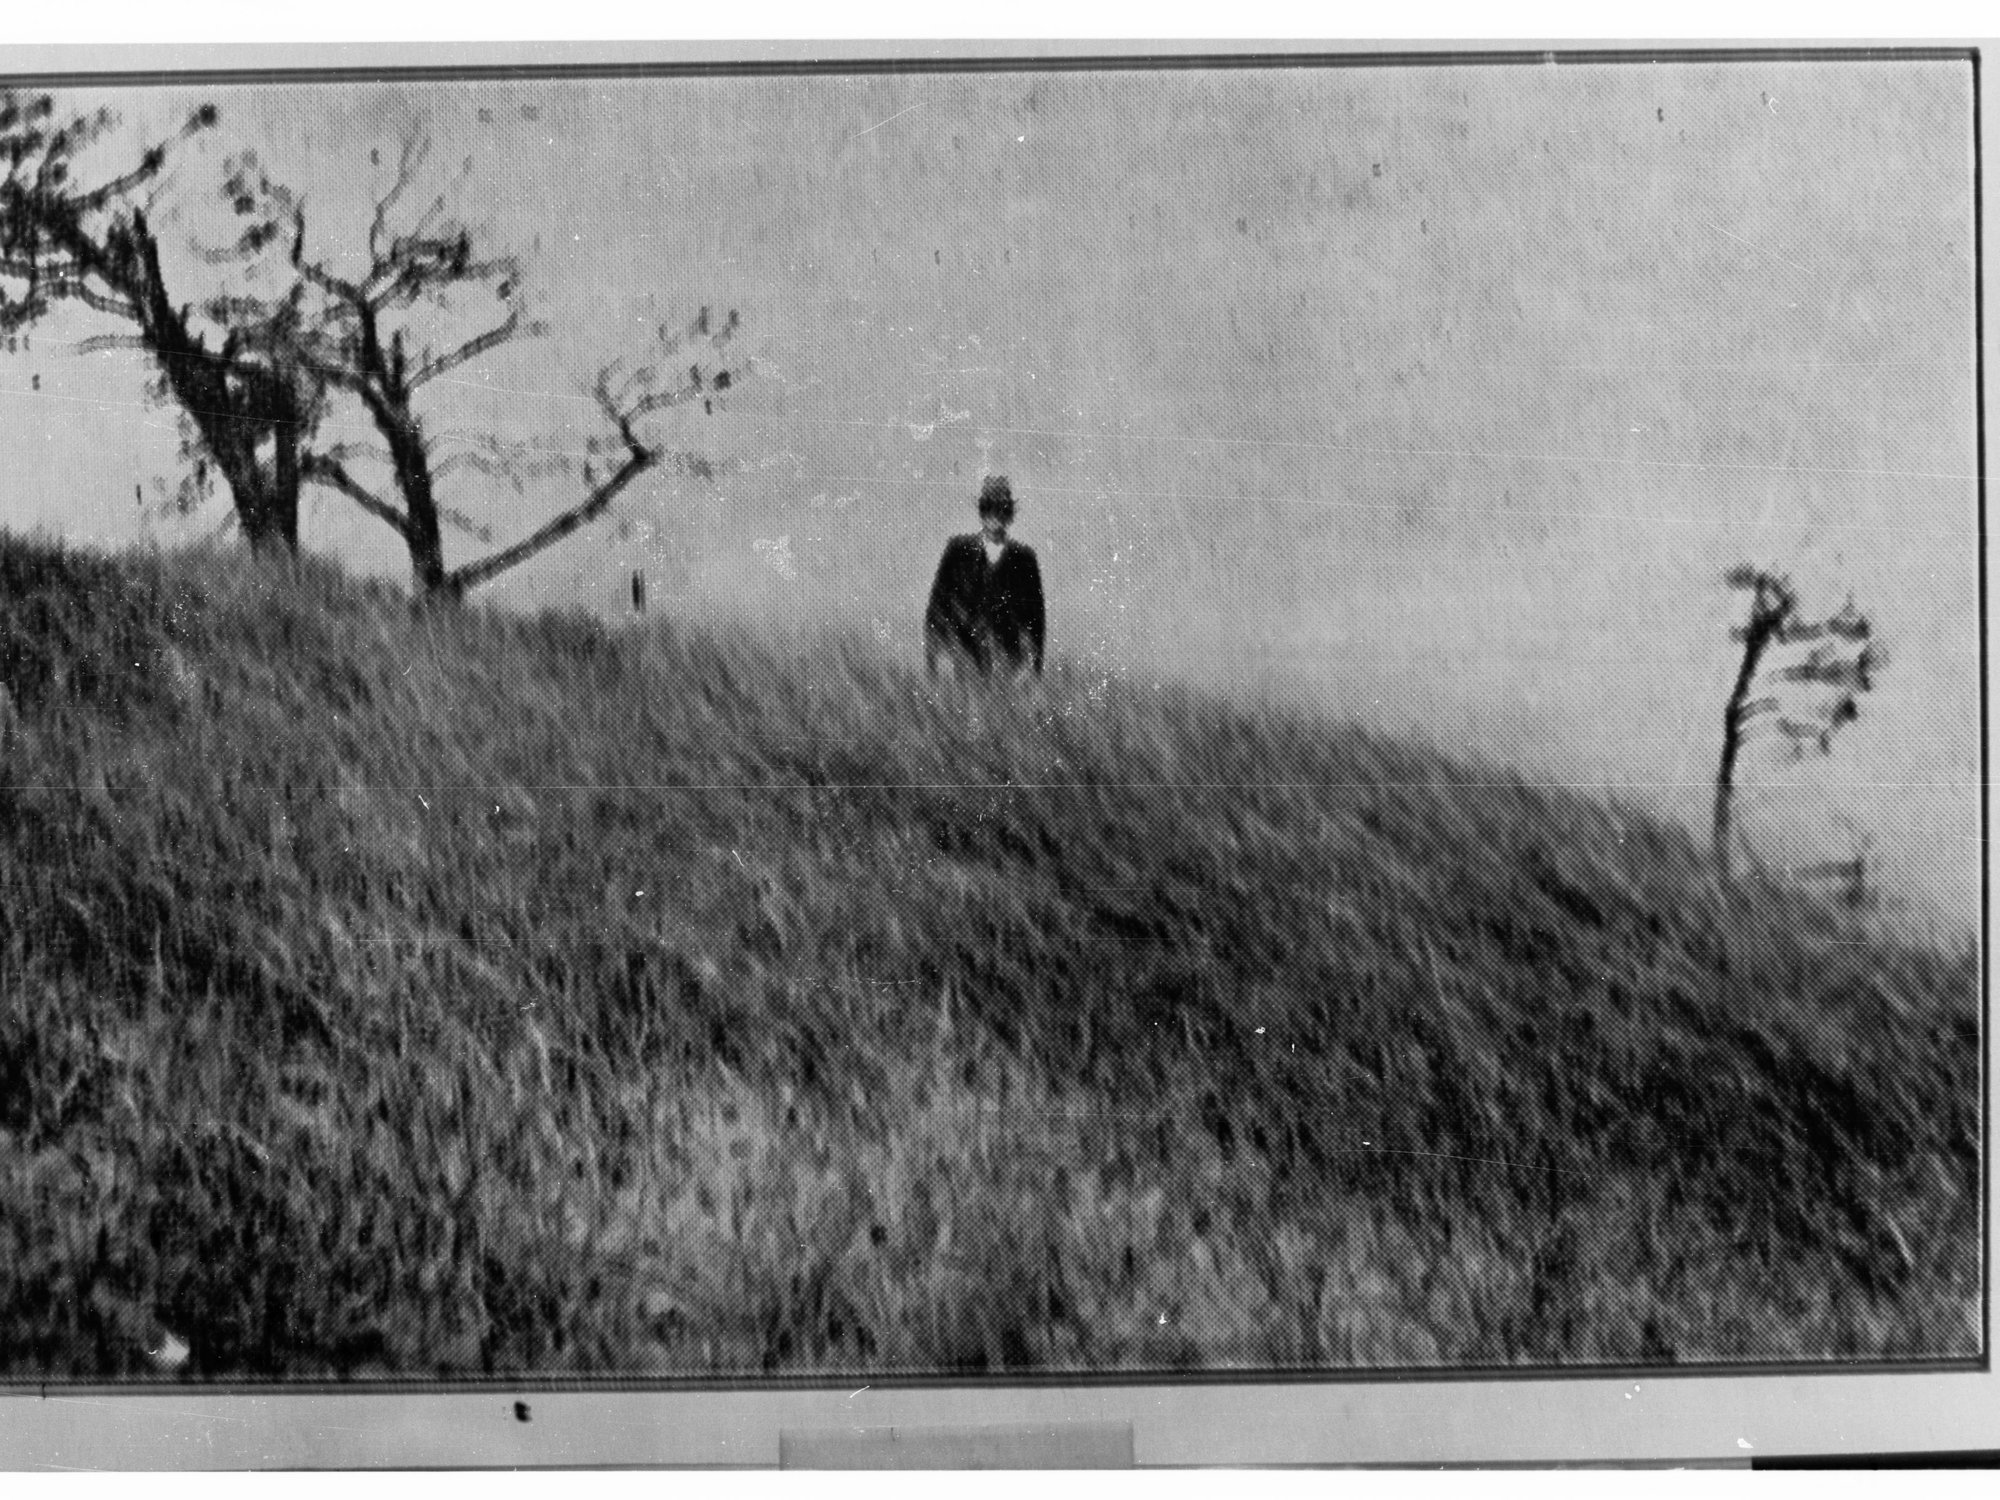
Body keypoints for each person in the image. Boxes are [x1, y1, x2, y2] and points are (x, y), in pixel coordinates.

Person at [923, 475, 1047, 680]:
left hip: (1009, 666)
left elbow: (1036, 621)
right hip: (964, 662)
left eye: (1002, 509)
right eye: (988, 508)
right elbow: (937, 608)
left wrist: (1033, 669)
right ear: (981, 510)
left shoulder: (1025, 559)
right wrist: (936, 661)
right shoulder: (957, 552)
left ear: (1009, 514)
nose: (995, 517)